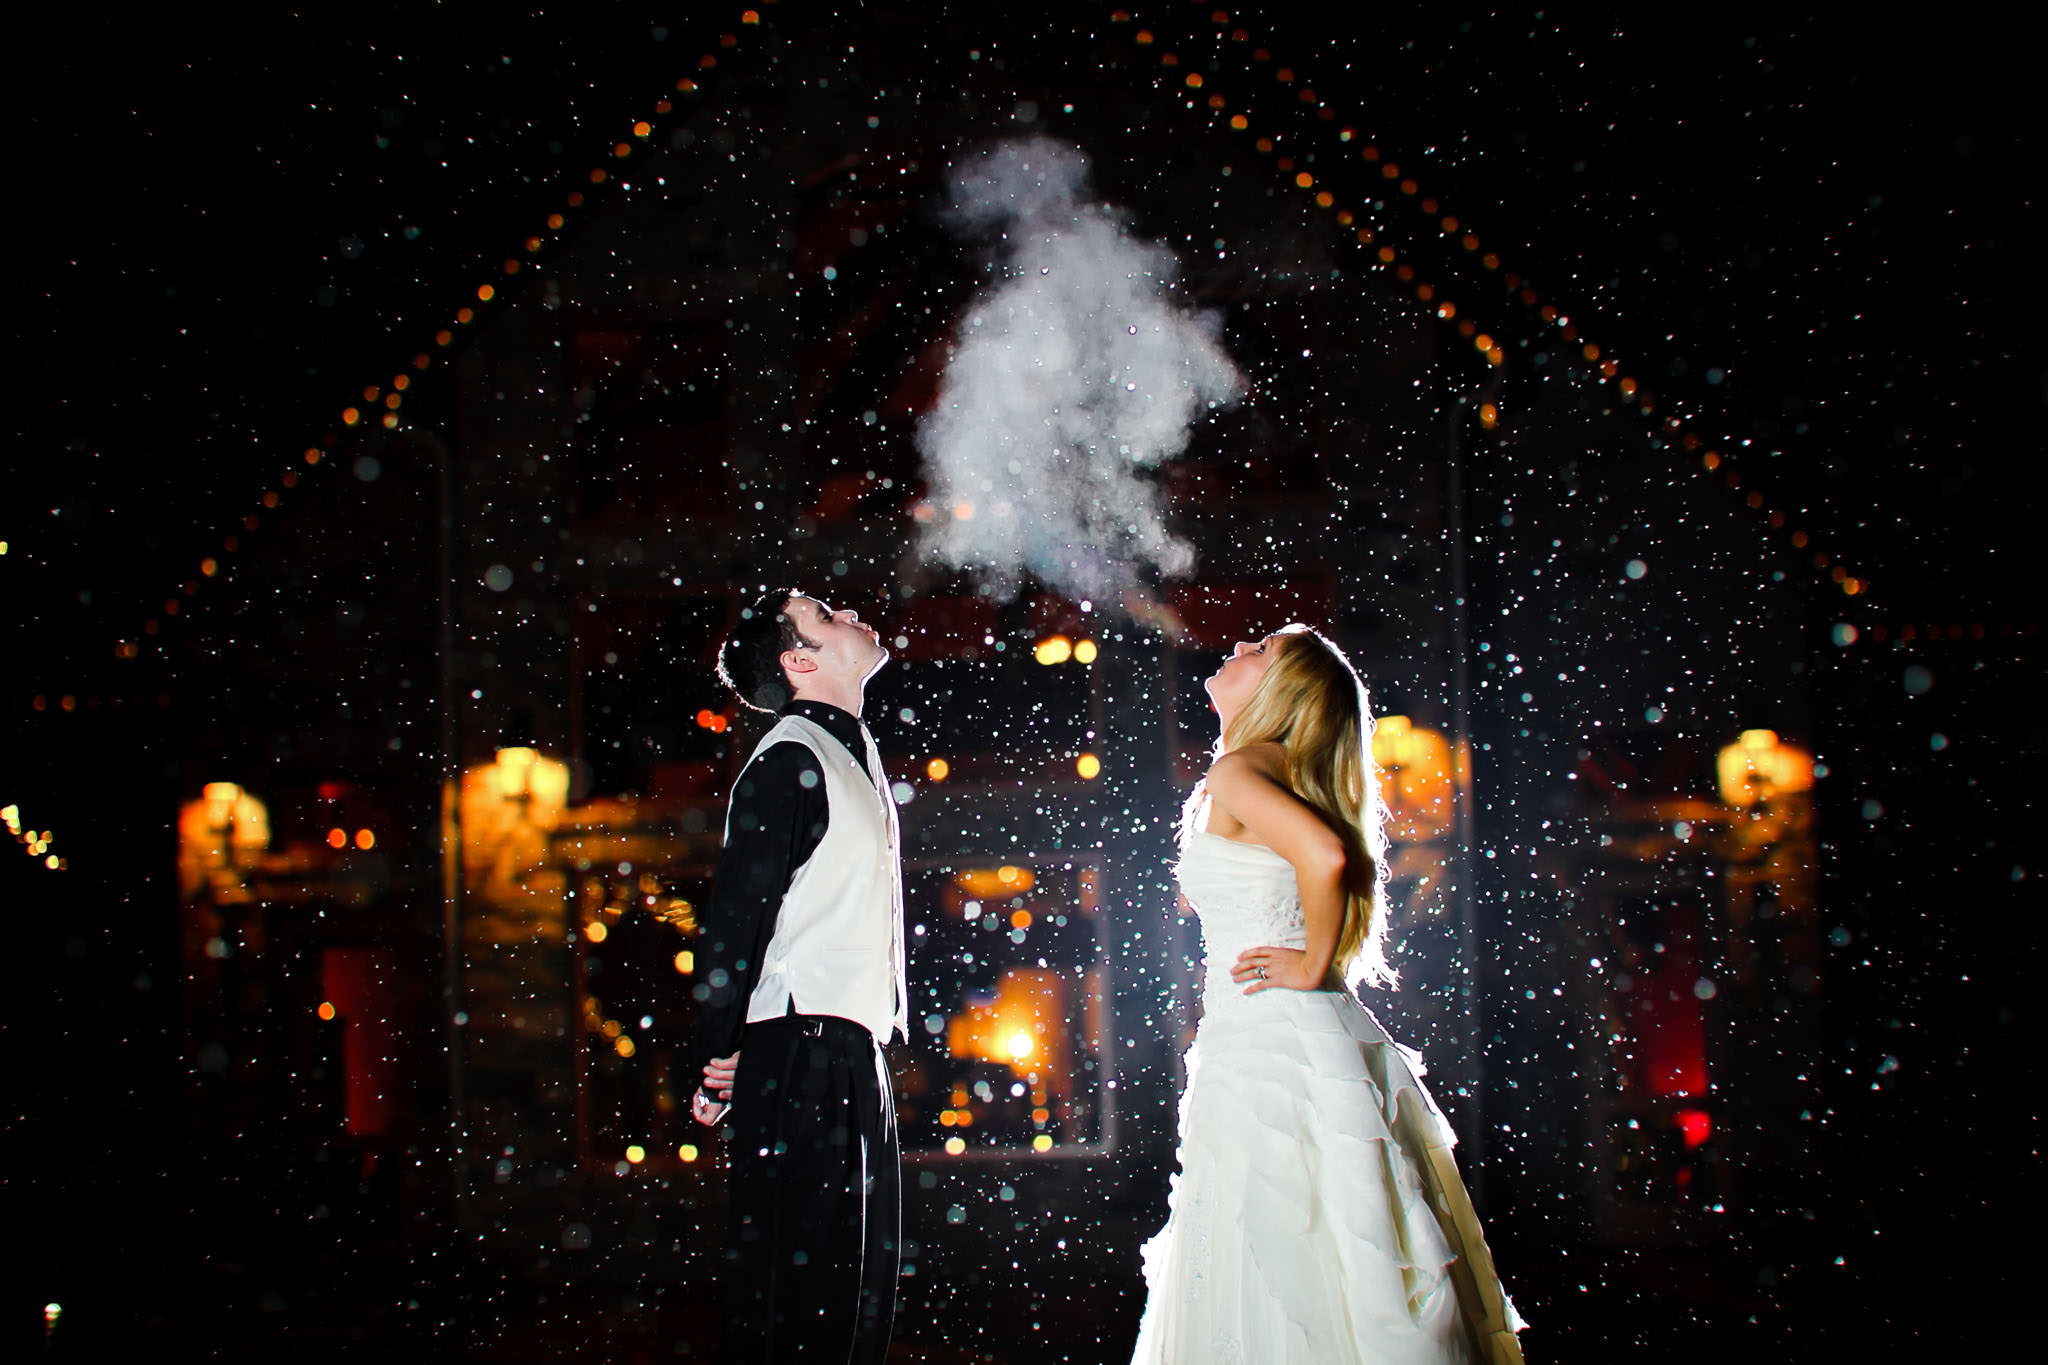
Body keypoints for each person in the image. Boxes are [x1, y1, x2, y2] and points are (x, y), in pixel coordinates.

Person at [1132, 625, 1526, 1365]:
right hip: (1280, 1036)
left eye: (1260, 651)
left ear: (1282, 693)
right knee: (1327, 1241)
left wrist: (1313, 963)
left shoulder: (1241, 770)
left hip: (1270, 1044)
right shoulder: (1268, 769)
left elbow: (1325, 855)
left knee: (1277, 1234)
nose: (1238, 648)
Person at [687, 588, 907, 1364]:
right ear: (799, 661)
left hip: (849, 1053)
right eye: (824, 615)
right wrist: (717, 1052)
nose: (850, 616)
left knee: (856, 1307)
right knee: (798, 1309)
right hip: (798, 1053)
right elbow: (735, 914)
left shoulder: (852, 749)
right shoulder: (788, 760)